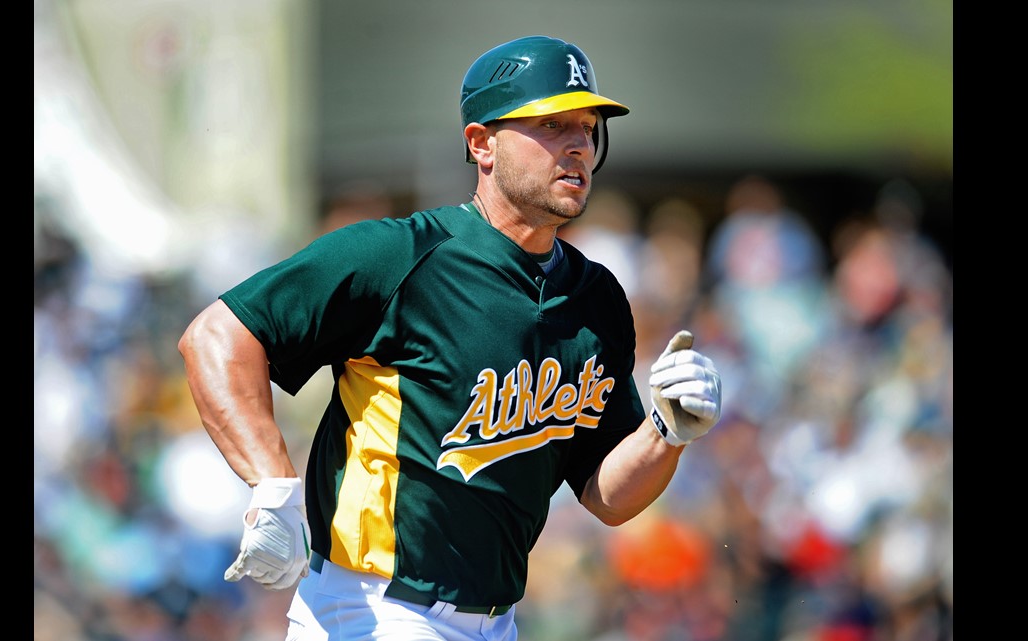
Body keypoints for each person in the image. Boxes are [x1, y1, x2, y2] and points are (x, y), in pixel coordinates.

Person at [178, 34, 722, 641]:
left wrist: (665, 433)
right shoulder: (401, 255)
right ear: (482, 143)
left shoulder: (596, 299)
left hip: (499, 622)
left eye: (590, 127)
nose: (579, 144)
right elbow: (216, 336)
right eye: (553, 123)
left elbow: (607, 497)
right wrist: (271, 481)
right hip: (374, 610)